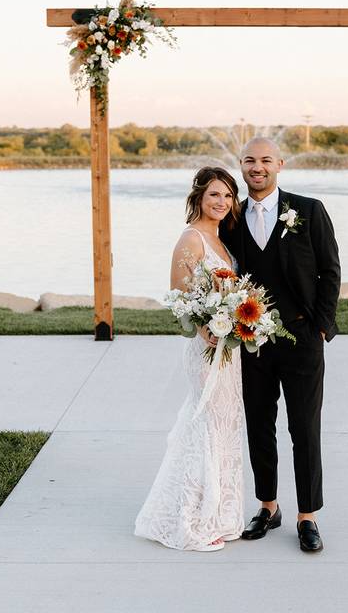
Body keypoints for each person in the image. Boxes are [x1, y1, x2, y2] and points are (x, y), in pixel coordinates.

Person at [219, 137, 341, 553]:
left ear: (279, 165)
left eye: (266, 160)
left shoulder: (307, 210)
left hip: (302, 339)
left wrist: (321, 327)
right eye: (250, 160)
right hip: (252, 344)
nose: (258, 167)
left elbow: (330, 270)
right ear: (241, 165)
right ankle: (268, 506)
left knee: (304, 428)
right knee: (258, 425)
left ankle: (308, 515)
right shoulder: (230, 219)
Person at [134, 166, 246, 551]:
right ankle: (192, 517)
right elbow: (179, 297)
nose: (222, 202)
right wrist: (208, 330)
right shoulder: (191, 238)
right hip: (205, 349)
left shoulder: (222, 236)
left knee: (224, 426)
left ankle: (222, 513)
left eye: (228, 196)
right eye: (215, 194)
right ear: (199, 196)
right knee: (204, 425)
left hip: (227, 349)